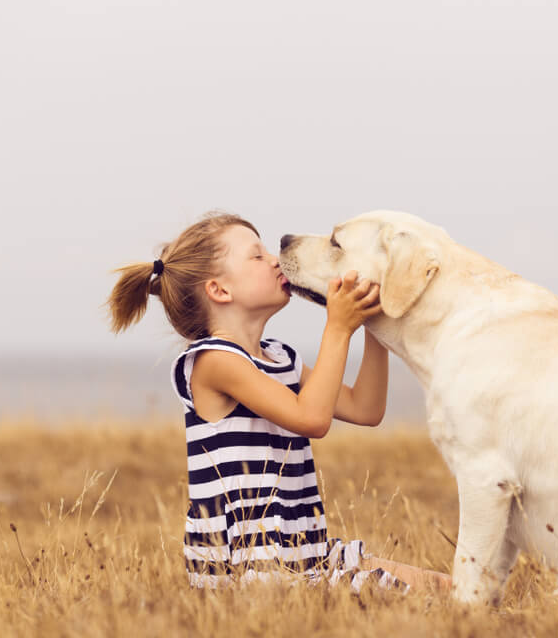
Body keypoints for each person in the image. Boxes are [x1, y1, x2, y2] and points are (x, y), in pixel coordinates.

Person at [106, 212, 451, 594]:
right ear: (219, 290)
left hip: (306, 552)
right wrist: (338, 327)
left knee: (449, 588)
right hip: (256, 567)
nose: (274, 259)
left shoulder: (279, 357)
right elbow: (312, 419)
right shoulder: (213, 362)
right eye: (256, 256)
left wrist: (373, 323)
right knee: (418, 599)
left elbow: (366, 409)